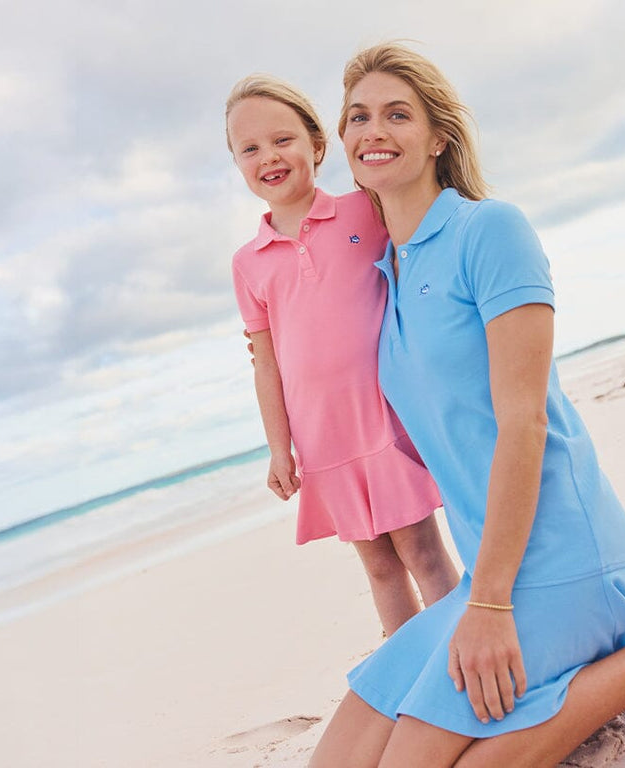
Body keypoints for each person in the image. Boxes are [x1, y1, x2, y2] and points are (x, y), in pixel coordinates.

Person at [307, 43, 625, 767]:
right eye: (358, 117)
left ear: (439, 136)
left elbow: (523, 422)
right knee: (338, 759)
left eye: (396, 114)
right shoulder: (387, 269)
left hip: (560, 558)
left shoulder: (489, 231)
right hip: (486, 572)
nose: (372, 130)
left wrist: (492, 605)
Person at [226, 75, 459, 637]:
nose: (269, 158)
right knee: (379, 567)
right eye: (249, 149)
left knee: (421, 551)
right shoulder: (248, 262)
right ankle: (411, 675)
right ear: (237, 163)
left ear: (316, 145)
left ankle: (469, 655)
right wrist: (280, 450)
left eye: (282, 140)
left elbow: (424, 265)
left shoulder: (366, 209)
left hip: (382, 416)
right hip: (322, 437)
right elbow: (266, 362)